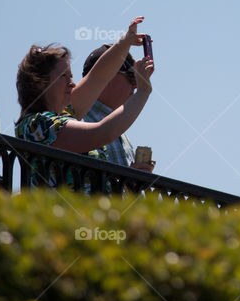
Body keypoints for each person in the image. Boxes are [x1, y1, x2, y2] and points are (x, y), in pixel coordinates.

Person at [14, 17, 154, 187]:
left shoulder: (65, 115)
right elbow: (103, 132)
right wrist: (143, 92)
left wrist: (125, 42)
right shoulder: (37, 125)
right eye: (63, 77)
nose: (72, 83)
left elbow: (97, 77)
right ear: (39, 82)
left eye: (71, 76)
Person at [81, 44, 155, 172]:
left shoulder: (120, 130)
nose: (136, 85)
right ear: (107, 75)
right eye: (132, 76)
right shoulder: (76, 121)